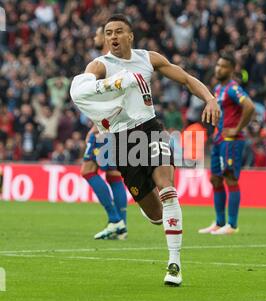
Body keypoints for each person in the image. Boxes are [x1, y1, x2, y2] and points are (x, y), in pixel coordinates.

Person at [71, 14, 220, 286]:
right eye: (108, 33)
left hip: (150, 128)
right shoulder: (100, 65)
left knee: (167, 187)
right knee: (156, 215)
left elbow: (186, 79)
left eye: (118, 32)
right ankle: (152, 207)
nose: (113, 37)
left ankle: (174, 264)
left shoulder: (148, 58)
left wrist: (210, 98)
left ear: (130, 36)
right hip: (120, 141)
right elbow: (81, 88)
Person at [199, 53, 255, 235]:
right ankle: (219, 222)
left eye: (223, 66)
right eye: (217, 65)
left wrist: (237, 129)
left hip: (231, 140)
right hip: (218, 139)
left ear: (231, 69)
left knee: (230, 177)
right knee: (215, 179)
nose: (218, 69)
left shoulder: (233, 88)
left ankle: (232, 225)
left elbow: (250, 106)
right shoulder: (217, 89)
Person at [80, 27, 128, 240]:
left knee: (88, 170)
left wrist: (99, 126)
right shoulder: (117, 62)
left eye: (98, 34)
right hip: (119, 125)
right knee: (113, 174)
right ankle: (121, 227)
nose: (95, 37)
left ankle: (115, 219)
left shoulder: (103, 64)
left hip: (107, 127)